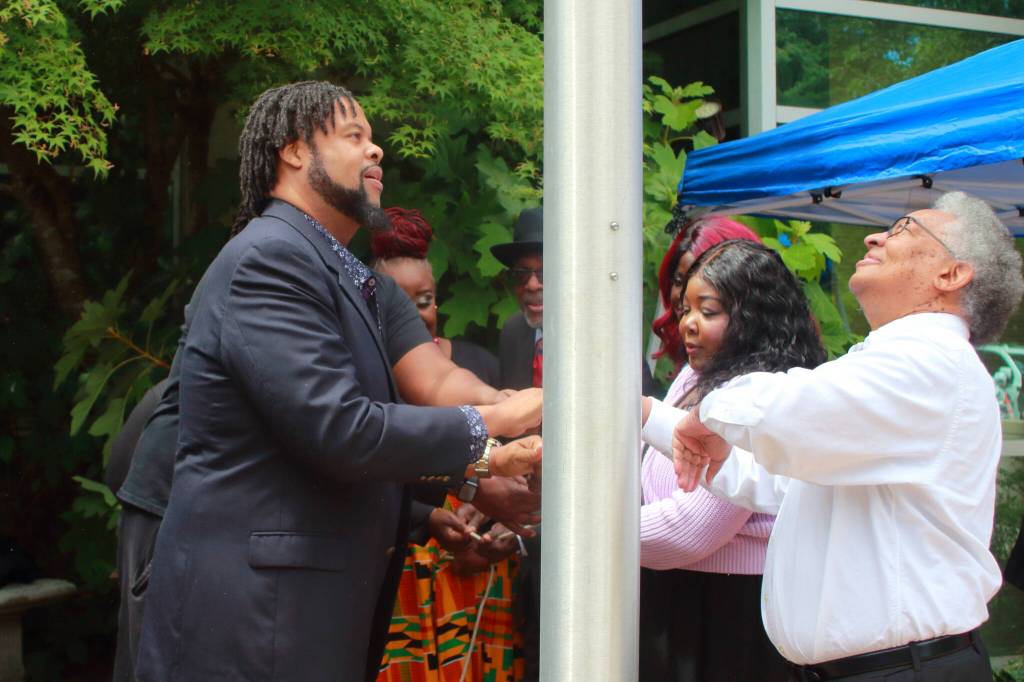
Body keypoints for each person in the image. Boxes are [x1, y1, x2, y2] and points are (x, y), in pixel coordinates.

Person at [133, 81, 543, 682]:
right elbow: (341, 429)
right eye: (355, 136)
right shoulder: (268, 259)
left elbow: (436, 380)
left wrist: (530, 410)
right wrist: (499, 428)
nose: (376, 152)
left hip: (315, 607)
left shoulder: (357, 275)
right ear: (294, 151)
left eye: (375, 139)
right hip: (253, 618)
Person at [667, 192, 1024, 680]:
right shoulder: (897, 363)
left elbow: (791, 412)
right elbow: (780, 482)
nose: (876, 235)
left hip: (903, 670)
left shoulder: (930, 361)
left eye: (902, 230)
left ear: (950, 275)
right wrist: (658, 419)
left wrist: (709, 410)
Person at [371, 206, 528, 681]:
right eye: (398, 304)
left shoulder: (479, 366)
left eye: (424, 300)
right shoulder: (365, 381)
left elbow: (512, 465)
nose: (416, 316)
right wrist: (467, 489)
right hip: (400, 578)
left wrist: (503, 529)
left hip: (481, 580)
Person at [639, 231, 802, 682]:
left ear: (753, 315)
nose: (687, 322)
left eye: (708, 311)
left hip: (727, 614)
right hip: (678, 592)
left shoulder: (756, 394)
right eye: (685, 307)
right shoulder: (693, 376)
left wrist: (577, 527)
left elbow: (689, 530)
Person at [650, 216, 761, 373]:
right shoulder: (690, 371)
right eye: (679, 280)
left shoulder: (763, 384)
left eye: (709, 310)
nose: (685, 296)